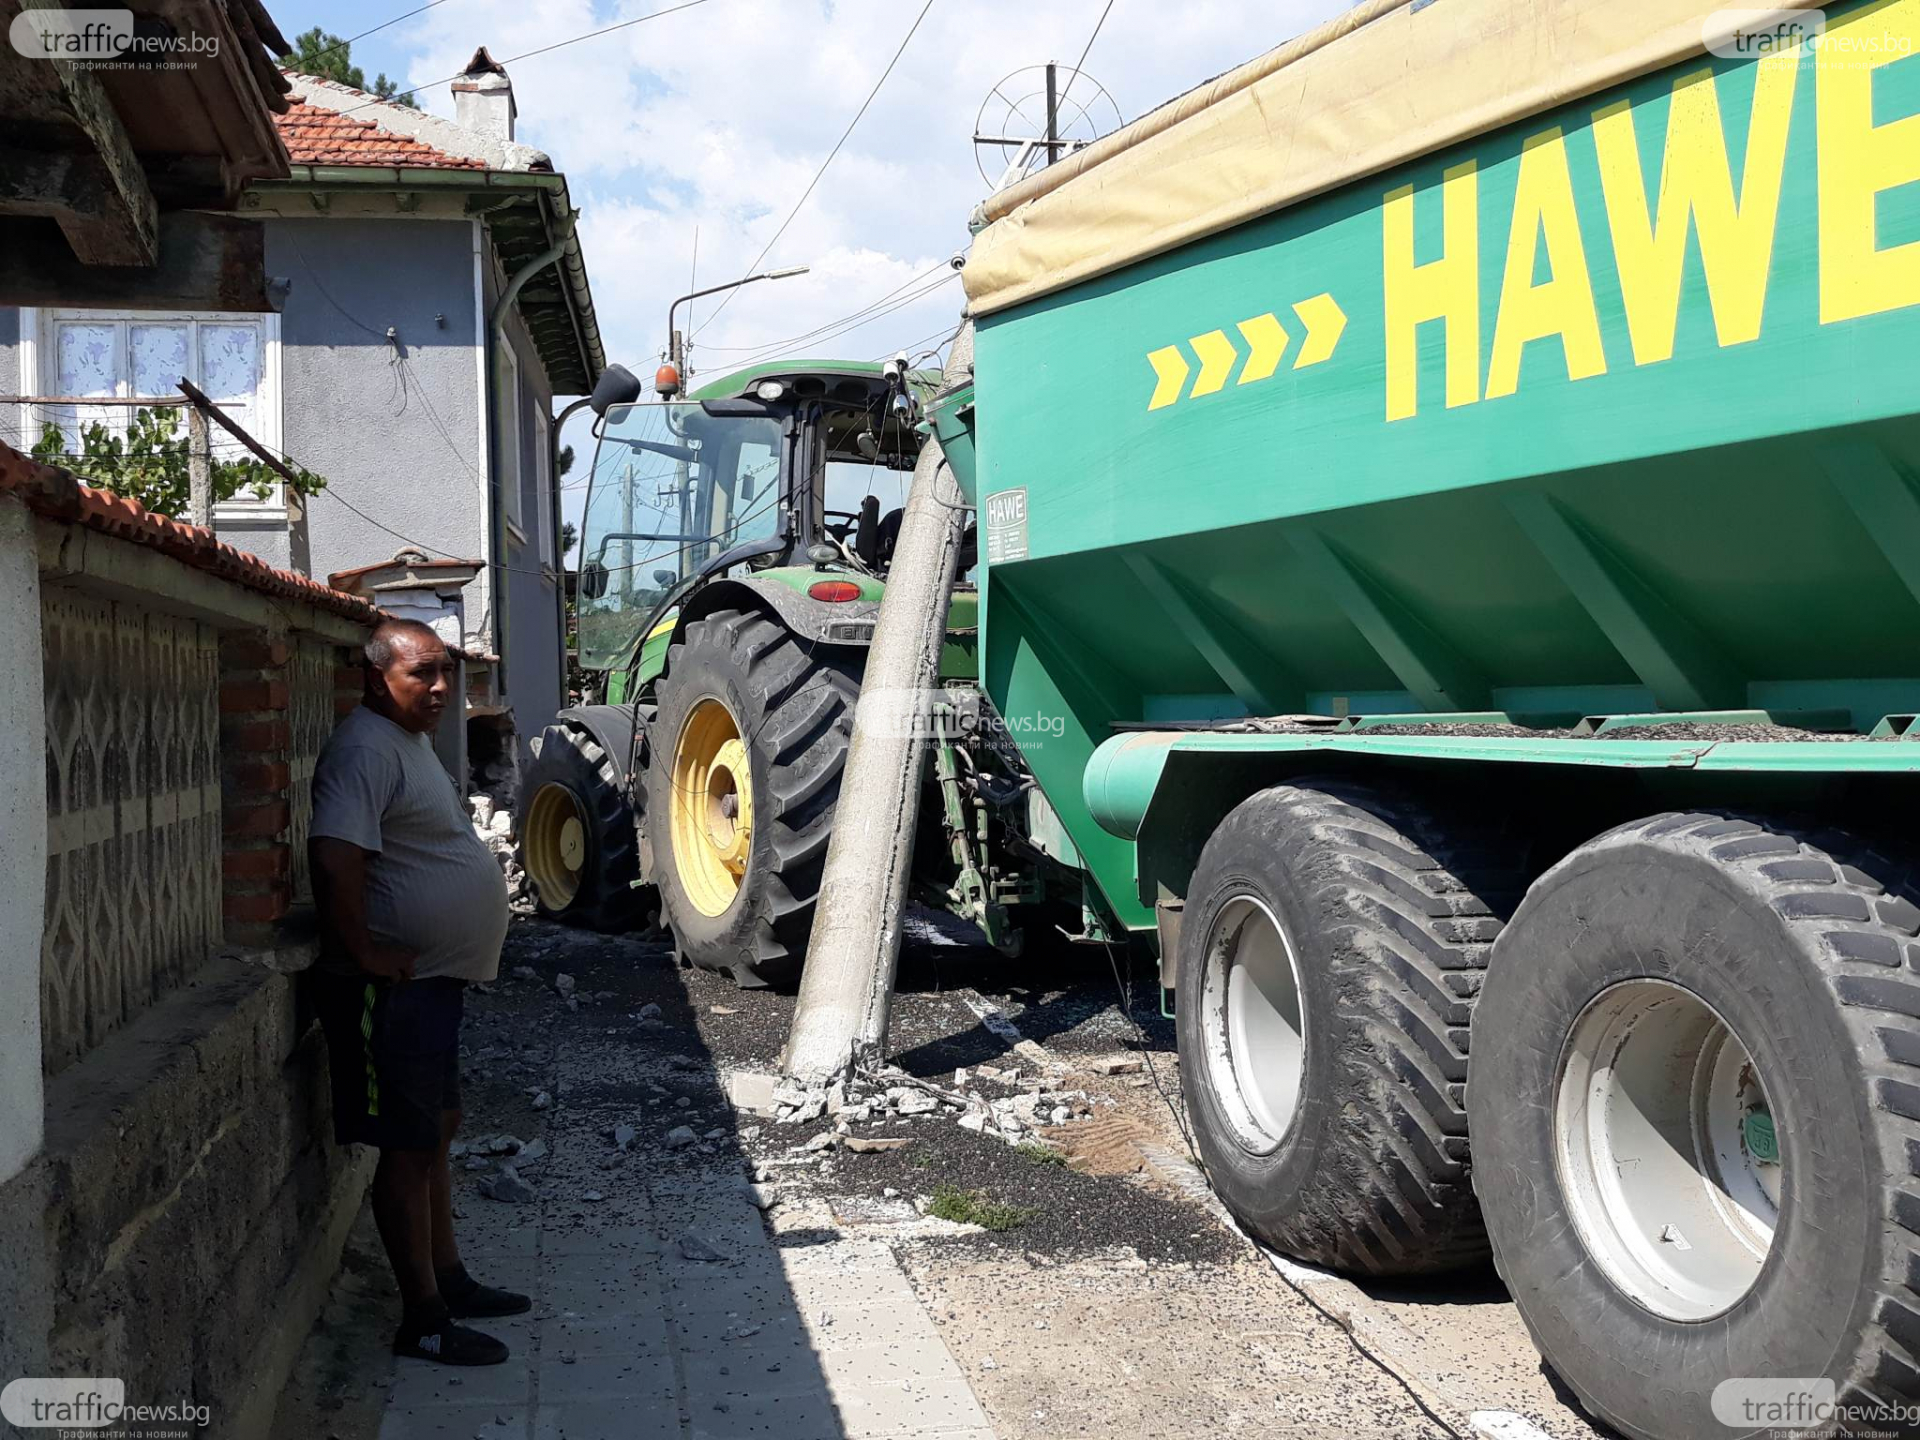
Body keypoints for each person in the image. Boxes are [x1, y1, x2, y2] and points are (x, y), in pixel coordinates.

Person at [309, 617, 529, 1366]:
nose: (439, 688)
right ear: (377, 678)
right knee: (406, 1148)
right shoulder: (363, 751)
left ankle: (450, 1277)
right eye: (421, 675)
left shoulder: (408, 743)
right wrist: (366, 950)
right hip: (392, 992)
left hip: (435, 981)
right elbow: (337, 859)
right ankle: (424, 1319)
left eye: (445, 673)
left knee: (438, 1127)